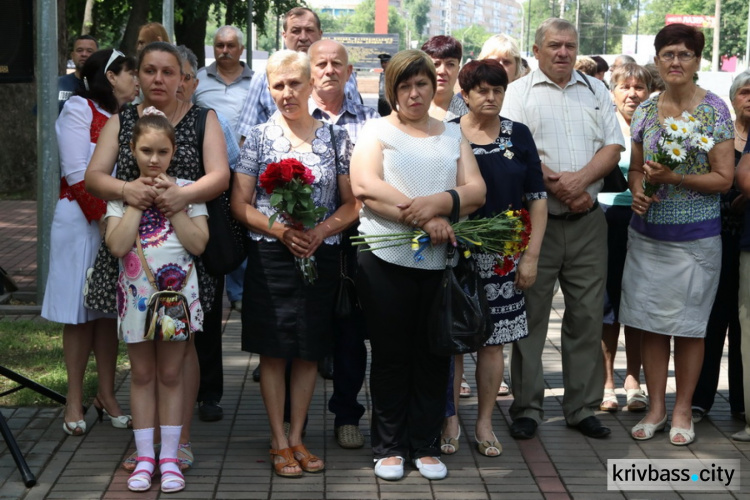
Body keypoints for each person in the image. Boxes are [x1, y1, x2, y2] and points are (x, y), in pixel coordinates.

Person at [85, 41, 229, 466]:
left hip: (185, 248)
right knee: (144, 350)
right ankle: (149, 446)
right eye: (150, 71)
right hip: (132, 251)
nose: (159, 80)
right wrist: (126, 189)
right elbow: (95, 177)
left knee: (182, 350)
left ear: (184, 77)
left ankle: (179, 440)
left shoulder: (204, 118)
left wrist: (179, 197)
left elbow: (219, 176)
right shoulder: (122, 119)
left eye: (169, 72)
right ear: (138, 75)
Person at [350, 49, 486, 481]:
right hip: (385, 257)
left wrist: (441, 205)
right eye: (404, 86)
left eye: (421, 84)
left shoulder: (451, 133)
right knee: (391, 355)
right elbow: (365, 186)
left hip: (439, 262)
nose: (414, 93)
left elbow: (476, 189)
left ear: (434, 86)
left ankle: (425, 444)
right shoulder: (376, 130)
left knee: (434, 355)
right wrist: (428, 217)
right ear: (392, 90)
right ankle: (389, 446)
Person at [231, 49, 358, 478]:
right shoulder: (259, 136)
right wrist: (281, 231)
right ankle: (277, 439)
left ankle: (299, 435)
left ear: (310, 86)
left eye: (294, 84)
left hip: (321, 254)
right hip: (271, 256)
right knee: (274, 349)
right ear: (268, 88)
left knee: (308, 350)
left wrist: (319, 232)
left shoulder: (337, 138)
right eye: (278, 85)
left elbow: (352, 202)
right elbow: (239, 204)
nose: (287, 93)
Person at [502, 18, 625, 441]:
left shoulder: (597, 91)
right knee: (531, 318)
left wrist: (581, 182)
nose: (563, 53)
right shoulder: (517, 93)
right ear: (536, 51)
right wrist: (562, 185)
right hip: (539, 224)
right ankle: (528, 407)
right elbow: (516, 151)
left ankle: (581, 407)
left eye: (570, 45)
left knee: (588, 317)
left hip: (589, 222)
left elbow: (613, 146)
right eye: (554, 45)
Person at [621, 24, 734, 446]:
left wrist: (676, 177)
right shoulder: (646, 111)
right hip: (647, 236)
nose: (675, 62)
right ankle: (655, 408)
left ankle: (683, 409)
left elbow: (724, 179)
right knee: (650, 324)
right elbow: (635, 167)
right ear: (656, 59)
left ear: (697, 62)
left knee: (689, 328)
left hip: (696, 240)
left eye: (685, 54)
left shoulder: (714, 111)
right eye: (668, 54)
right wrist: (638, 191)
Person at [105, 111, 209, 493]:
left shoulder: (188, 191)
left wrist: (174, 203)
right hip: (136, 298)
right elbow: (116, 245)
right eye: (145, 150)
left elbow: (198, 244)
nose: (153, 159)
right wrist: (135, 202)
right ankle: (144, 456)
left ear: (173, 151)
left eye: (162, 151)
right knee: (143, 374)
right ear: (131, 150)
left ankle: (170, 458)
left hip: (177, 299)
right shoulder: (123, 193)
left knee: (170, 375)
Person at [449, 59, 547, 458]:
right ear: (465, 94)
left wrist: (531, 256)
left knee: (494, 345)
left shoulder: (518, 134)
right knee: (453, 341)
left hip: (505, 258)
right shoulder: (447, 133)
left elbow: (537, 199)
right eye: (482, 90)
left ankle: (485, 421)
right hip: (455, 253)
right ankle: (449, 418)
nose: (490, 97)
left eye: (498, 90)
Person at [43, 48, 138, 436]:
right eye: (131, 72)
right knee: (78, 314)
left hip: (117, 223)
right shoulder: (79, 110)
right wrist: (102, 220)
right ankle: (74, 399)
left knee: (106, 312)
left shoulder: (129, 117)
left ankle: (107, 395)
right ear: (111, 76)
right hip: (82, 222)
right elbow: (77, 172)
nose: (137, 79)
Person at [307, 39, 379, 449]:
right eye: (322, 64)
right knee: (304, 329)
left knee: (351, 333)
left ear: (350, 72)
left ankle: (347, 415)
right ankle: (289, 421)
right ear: (309, 72)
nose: (330, 70)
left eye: (338, 64)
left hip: (354, 240)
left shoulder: (371, 122)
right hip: (302, 240)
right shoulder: (295, 118)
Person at [192, 24, 253, 422]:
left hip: (207, 219)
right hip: (153, 231)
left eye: (232, 44)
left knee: (208, 309)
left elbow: (230, 166)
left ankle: (207, 392)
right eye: (219, 45)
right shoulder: (136, 120)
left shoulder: (211, 119)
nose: (225, 50)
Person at [692, 70, 749, 424]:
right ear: (732, 98)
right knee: (711, 320)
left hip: (748, 241)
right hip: (717, 235)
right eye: (745, 92)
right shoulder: (721, 131)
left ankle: (743, 403)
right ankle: (699, 400)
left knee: (744, 325)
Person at [598, 63, 651, 413]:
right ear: (612, 92)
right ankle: (606, 383)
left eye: (639, 87)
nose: (632, 93)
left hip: (645, 222)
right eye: (625, 87)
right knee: (606, 306)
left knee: (637, 302)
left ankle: (634, 378)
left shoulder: (655, 124)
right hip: (605, 221)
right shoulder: (603, 123)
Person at [236, 7, 361, 143]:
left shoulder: (342, 74)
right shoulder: (264, 75)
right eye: (296, 31)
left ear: (320, 34)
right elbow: (247, 135)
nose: (303, 37)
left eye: (309, 30)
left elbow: (357, 118)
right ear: (284, 36)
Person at [421, 36, 467, 121]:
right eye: (436, 64)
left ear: (458, 69)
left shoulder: (469, 115)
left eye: (450, 64)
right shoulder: (406, 110)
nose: (442, 71)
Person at [58, 35, 98, 113]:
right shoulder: (56, 84)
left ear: (97, 56)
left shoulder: (107, 86)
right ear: (72, 55)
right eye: (79, 50)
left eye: (89, 51)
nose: (84, 54)